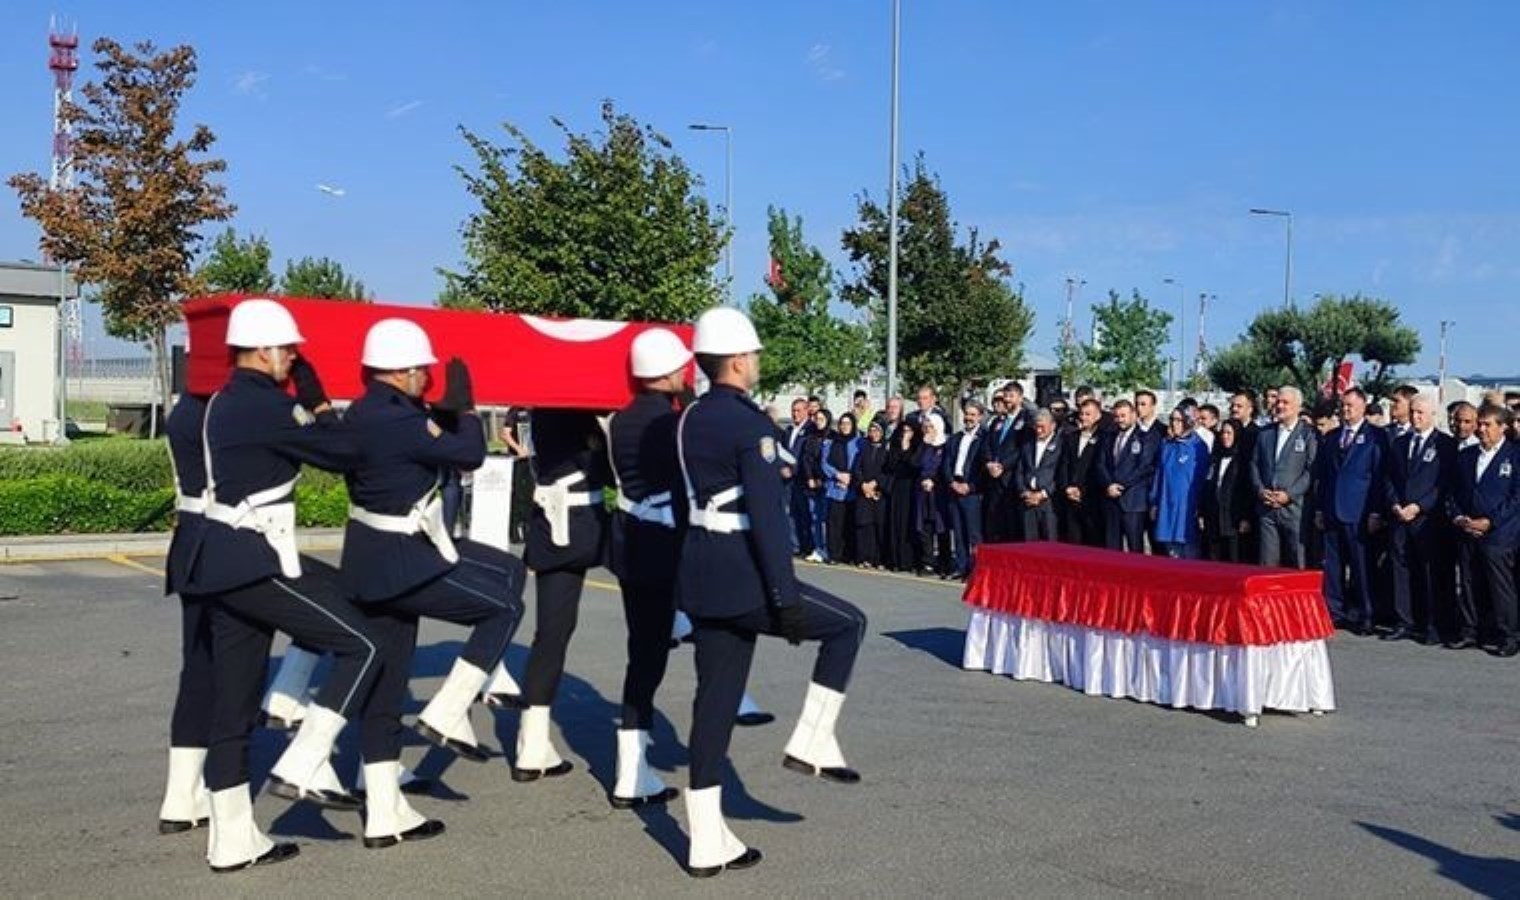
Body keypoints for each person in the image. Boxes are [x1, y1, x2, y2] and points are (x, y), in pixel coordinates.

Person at [675, 307, 868, 877]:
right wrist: (783, 596)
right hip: (744, 574)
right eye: (753, 355)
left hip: (701, 573)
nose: (757, 362)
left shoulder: (689, 419)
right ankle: (812, 740)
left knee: (714, 700)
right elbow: (765, 514)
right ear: (737, 359)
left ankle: (705, 838)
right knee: (848, 624)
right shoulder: (751, 424)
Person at [187, 299, 376, 872]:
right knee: (363, 640)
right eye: (288, 349)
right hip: (254, 561)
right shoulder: (268, 406)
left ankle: (233, 840)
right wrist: (317, 402)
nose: (294, 356)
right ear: (263, 351)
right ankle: (304, 759)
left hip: (219, 560)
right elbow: (347, 453)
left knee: (234, 704)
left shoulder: (225, 399)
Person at [335, 319, 525, 847]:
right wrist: (464, 409)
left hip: (370, 559)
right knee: (503, 607)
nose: (427, 377)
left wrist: (437, 419)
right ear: (401, 370)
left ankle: (382, 810)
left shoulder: (364, 410)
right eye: (423, 369)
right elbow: (468, 455)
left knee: (388, 685)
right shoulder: (397, 418)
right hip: (403, 561)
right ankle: (448, 710)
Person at [601, 329, 695, 808]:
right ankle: (633, 773)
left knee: (643, 655)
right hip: (666, 546)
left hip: (631, 541)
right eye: (680, 366)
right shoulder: (674, 422)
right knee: (655, 658)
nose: (687, 371)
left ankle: (631, 769)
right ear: (664, 372)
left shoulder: (620, 419)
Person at [516, 406, 613, 781]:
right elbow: (607, 473)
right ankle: (679, 621)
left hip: (560, 527)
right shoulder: (570, 415)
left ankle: (533, 741)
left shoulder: (547, 411)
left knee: (552, 634)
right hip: (579, 527)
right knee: (657, 588)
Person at [156, 392, 214, 837]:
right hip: (231, 544)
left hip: (191, 543)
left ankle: (180, 795)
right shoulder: (222, 411)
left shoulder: (186, 411)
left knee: (198, 672)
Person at [1447, 404, 1520, 658]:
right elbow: (1454, 491)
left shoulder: (1514, 456)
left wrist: (1490, 521)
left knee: (1500, 587)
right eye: (1480, 424)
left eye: (1488, 425)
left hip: (1500, 534)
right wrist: (1458, 517)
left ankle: (1507, 635)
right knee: (1468, 582)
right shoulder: (1467, 456)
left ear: (1503, 427)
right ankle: (1470, 630)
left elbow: (1515, 497)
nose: (1481, 429)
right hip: (1467, 528)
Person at [1384, 394, 1457, 644]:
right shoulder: (1399, 443)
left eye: (1421, 413)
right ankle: (1404, 621)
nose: (1416, 417)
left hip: (1428, 520)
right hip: (1399, 517)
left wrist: (1419, 506)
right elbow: (1390, 477)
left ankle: (1432, 624)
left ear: (1432, 415)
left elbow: (1444, 483)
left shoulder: (1445, 444)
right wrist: (1394, 502)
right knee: (1400, 570)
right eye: (1413, 412)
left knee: (1429, 573)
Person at [1313, 388, 1384, 630]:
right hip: (1333, 508)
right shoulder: (1332, 437)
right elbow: (1323, 476)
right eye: (1343, 406)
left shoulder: (1376, 436)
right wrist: (1321, 509)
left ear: (1363, 406)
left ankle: (1367, 613)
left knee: (1361, 565)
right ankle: (1334, 610)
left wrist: (1376, 511)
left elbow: (1378, 477)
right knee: (1332, 565)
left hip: (1359, 510)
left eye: (1350, 406)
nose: (1346, 410)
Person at [1250, 385, 1318, 568]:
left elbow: (1311, 470)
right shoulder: (1265, 433)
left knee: (1297, 560)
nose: (1279, 405)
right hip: (1267, 509)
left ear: (1297, 406)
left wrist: (1290, 495)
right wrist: (1260, 489)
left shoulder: (1308, 434)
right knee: (1267, 563)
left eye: (1285, 402)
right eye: (1278, 401)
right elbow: (1254, 464)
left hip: (1295, 510)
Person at [1096, 399, 1158, 553]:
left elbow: (1144, 467)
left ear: (1133, 415)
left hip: (1133, 501)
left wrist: (1121, 485)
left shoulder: (1146, 437)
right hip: (1111, 499)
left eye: (1123, 416)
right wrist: (1109, 485)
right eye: (1117, 417)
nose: (1120, 420)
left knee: (1135, 546)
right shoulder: (1109, 436)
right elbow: (1100, 463)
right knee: (1111, 548)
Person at [1149, 406, 1210, 558]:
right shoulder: (1167, 445)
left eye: (1178, 420)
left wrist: (1200, 507)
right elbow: (1159, 474)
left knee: (1188, 552)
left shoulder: (1198, 447)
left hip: (1186, 508)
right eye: (1171, 420)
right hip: (1166, 505)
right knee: (1170, 552)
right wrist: (1154, 501)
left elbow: (1202, 480)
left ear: (1188, 422)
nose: (1173, 424)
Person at [942, 401, 986, 579]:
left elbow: (982, 468)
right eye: (967, 414)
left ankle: (976, 569)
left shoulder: (984, 439)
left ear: (980, 417)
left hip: (972, 491)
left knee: (973, 533)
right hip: (954, 487)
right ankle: (961, 566)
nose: (969, 418)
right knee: (958, 532)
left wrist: (971, 486)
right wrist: (952, 482)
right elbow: (947, 463)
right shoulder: (955, 438)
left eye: (973, 415)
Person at [1202, 420, 1256, 563]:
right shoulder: (1216, 458)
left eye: (1229, 433)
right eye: (1223, 433)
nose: (1225, 436)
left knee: (1234, 558)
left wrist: (1246, 517)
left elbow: (1248, 490)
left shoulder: (1243, 461)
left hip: (1234, 520)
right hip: (1214, 518)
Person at [1059, 398, 1104, 547]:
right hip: (1070, 498)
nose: (1083, 417)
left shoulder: (1104, 439)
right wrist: (1067, 487)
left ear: (1098, 416)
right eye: (1082, 414)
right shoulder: (1071, 437)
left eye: (1088, 414)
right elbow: (1064, 465)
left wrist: (1082, 491)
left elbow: (1098, 469)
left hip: (1091, 500)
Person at [981, 390, 1024, 542]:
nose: (1007, 400)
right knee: (993, 521)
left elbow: (1022, 449)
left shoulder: (1025, 421)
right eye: (1005, 397)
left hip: (1011, 479)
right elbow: (986, 445)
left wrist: (1003, 466)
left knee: (1010, 524)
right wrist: (989, 463)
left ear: (1020, 397)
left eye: (1011, 396)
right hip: (993, 478)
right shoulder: (997, 421)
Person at [1018, 410, 1065, 541]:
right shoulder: (1028, 444)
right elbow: (1020, 470)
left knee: (1050, 541)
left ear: (1053, 426)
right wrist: (1023, 491)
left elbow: (1060, 473)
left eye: (1042, 427)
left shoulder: (1061, 445)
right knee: (1030, 541)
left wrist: (1043, 494)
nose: (1039, 430)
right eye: (1036, 427)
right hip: (1028, 498)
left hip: (1048, 501)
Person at [917, 413, 953, 576]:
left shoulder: (946, 445)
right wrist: (924, 445)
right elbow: (915, 464)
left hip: (939, 492)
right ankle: (928, 562)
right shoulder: (923, 444)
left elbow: (945, 467)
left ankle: (945, 562)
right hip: (923, 491)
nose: (928, 430)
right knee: (925, 527)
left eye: (931, 426)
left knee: (941, 527)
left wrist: (934, 481)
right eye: (925, 427)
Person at [883, 419, 922, 572]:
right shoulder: (895, 445)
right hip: (897, 487)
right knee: (896, 522)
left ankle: (909, 560)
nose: (906, 434)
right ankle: (895, 559)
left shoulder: (917, 446)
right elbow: (891, 465)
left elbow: (913, 465)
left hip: (912, 488)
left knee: (909, 523)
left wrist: (906, 448)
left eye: (910, 431)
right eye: (903, 431)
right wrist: (901, 448)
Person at [852, 419, 890, 568]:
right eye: (871, 430)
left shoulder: (886, 450)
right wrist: (863, 485)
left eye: (877, 431)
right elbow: (857, 469)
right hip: (864, 492)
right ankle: (864, 557)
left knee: (878, 526)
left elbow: (887, 470)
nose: (874, 434)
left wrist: (875, 484)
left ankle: (879, 559)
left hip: (878, 493)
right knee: (864, 525)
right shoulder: (864, 448)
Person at [783, 398, 814, 557]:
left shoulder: (810, 430)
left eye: (799, 410)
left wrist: (793, 470)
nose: (795, 414)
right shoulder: (788, 431)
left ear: (807, 411)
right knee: (790, 513)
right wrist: (782, 467)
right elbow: (782, 452)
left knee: (804, 514)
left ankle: (807, 546)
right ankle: (794, 546)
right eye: (793, 410)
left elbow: (806, 456)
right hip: (788, 481)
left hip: (802, 479)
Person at [801, 409, 833, 562]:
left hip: (827, 483)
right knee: (815, 517)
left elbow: (831, 460)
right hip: (812, 483)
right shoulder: (810, 437)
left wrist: (822, 478)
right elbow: (806, 459)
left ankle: (827, 548)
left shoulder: (833, 437)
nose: (818, 421)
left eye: (822, 418)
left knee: (826, 518)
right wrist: (810, 477)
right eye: (816, 418)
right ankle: (817, 547)